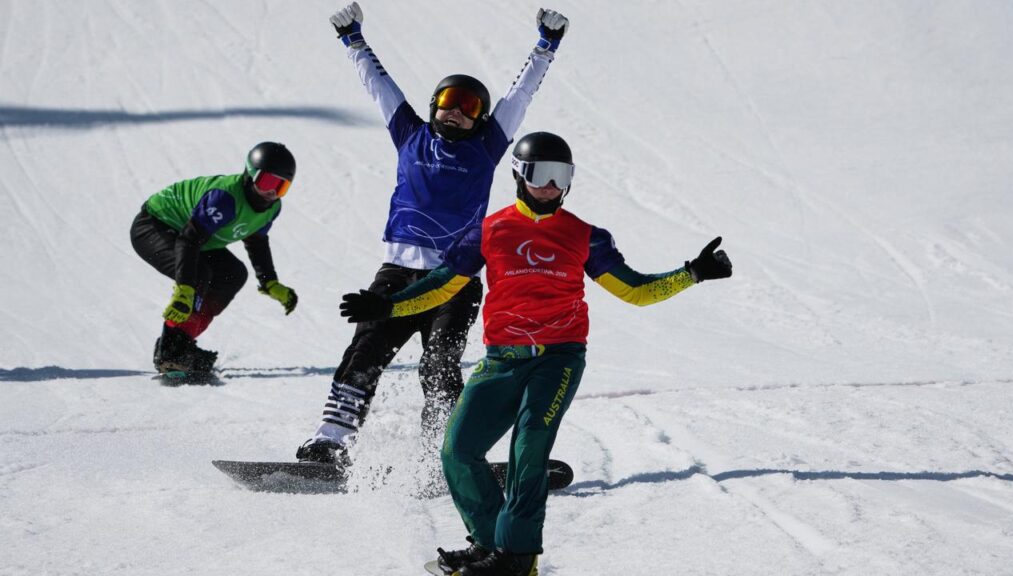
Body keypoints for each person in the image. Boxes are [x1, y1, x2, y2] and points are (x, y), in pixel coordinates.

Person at [339, 132, 733, 576]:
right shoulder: (489, 231)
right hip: (501, 360)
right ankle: (491, 544)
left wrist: (692, 273)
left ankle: (518, 558)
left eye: (559, 176)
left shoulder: (585, 236)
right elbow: (442, 284)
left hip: (558, 357)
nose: (549, 186)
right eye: (539, 175)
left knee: (528, 449)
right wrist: (389, 306)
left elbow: (635, 290)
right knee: (458, 450)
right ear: (519, 176)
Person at [296, 3, 571, 469]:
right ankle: (331, 441)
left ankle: (442, 455)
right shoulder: (410, 134)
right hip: (398, 273)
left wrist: (546, 46)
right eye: (449, 103)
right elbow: (380, 86)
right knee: (365, 351)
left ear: (482, 118)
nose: (457, 113)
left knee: (440, 366)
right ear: (434, 108)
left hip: (455, 281)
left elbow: (519, 96)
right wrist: (355, 41)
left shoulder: (488, 146)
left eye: (470, 107)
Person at [130, 142, 299, 380]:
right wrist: (184, 289)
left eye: (281, 187)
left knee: (232, 275)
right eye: (268, 182)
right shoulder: (225, 198)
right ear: (251, 174)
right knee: (197, 275)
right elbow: (188, 241)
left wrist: (270, 282)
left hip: (196, 239)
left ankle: (182, 342)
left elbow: (256, 241)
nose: (272, 192)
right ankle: (170, 351)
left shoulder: (272, 208)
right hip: (155, 226)